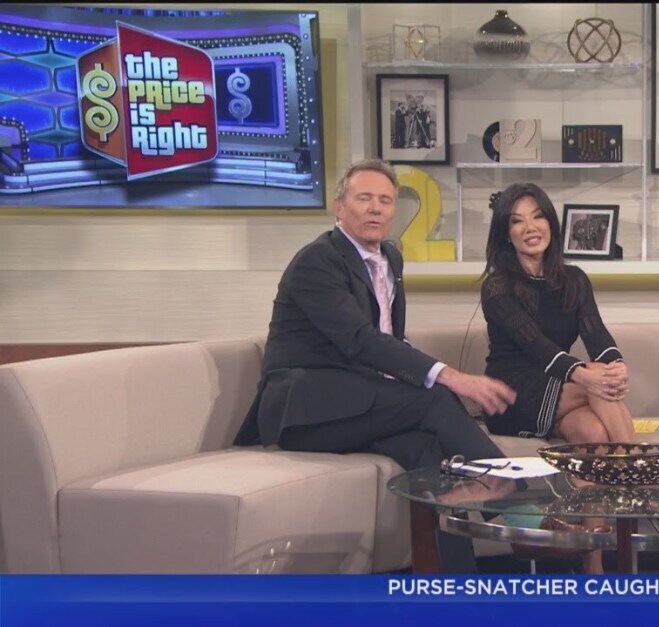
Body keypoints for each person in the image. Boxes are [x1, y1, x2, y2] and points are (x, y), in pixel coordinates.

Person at [233, 158, 517, 573]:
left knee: (425, 450)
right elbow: (360, 340)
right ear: (339, 206)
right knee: (434, 399)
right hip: (307, 410)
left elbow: (389, 339)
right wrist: (453, 377)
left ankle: (453, 584)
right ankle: (520, 511)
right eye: (364, 198)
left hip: (357, 404)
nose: (376, 209)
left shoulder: (390, 258)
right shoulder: (318, 261)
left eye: (385, 200)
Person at [480, 182, 634, 446]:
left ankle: (612, 473)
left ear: (550, 223)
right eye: (517, 221)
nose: (530, 227)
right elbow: (536, 344)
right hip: (511, 394)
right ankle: (639, 464)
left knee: (592, 432)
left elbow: (595, 333)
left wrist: (616, 366)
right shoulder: (497, 286)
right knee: (597, 379)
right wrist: (585, 376)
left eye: (538, 217)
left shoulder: (574, 280)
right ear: (506, 234)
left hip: (558, 383)